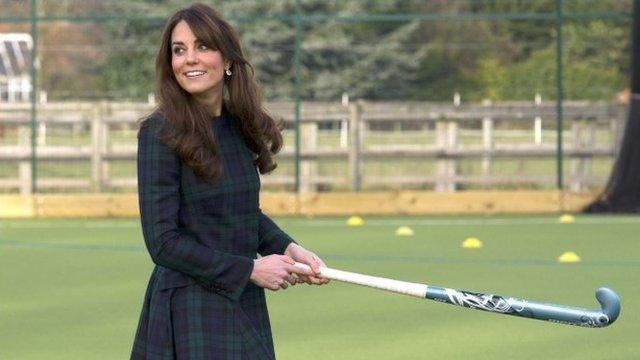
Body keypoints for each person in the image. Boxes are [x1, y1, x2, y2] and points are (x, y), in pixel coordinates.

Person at [131, 3, 328, 359]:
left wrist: (285, 247)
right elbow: (162, 242)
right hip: (190, 305)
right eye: (179, 50)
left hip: (241, 299)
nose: (189, 58)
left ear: (228, 61)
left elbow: (243, 214)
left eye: (202, 46)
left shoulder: (239, 125)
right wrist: (250, 269)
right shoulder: (158, 133)